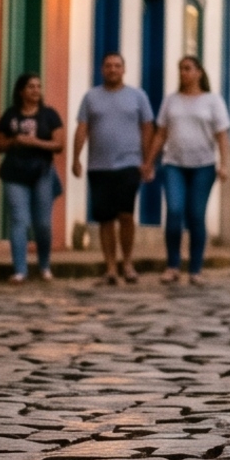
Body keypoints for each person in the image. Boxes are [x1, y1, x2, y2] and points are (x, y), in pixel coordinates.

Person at [72, 54, 158, 286]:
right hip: (99, 166)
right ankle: (110, 266)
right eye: (108, 66)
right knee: (106, 218)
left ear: (124, 69)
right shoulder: (91, 97)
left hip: (129, 164)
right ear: (102, 69)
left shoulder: (138, 96)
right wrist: (76, 158)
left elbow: (148, 128)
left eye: (117, 65)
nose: (113, 69)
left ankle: (127, 263)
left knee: (126, 214)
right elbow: (82, 128)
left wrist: (147, 161)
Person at [154, 56, 230, 286]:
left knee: (196, 215)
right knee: (175, 211)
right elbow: (160, 133)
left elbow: (222, 135)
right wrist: (149, 161)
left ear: (199, 72)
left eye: (187, 69)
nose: (183, 73)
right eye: (180, 69)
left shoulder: (212, 101)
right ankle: (172, 266)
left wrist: (224, 164)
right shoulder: (171, 101)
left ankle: (196, 269)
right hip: (173, 164)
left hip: (203, 166)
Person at [0, 73, 65, 281]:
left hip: (42, 172)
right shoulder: (10, 115)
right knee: (19, 220)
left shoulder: (49, 115)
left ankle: (44, 265)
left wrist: (35, 143)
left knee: (42, 223)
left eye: (38, 86)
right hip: (14, 173)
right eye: (31, 87)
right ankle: (20, 269)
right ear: (21, 91)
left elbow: (59, 145)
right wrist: (14, 141)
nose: (35, 90)